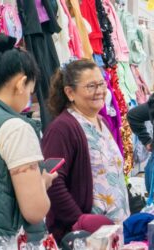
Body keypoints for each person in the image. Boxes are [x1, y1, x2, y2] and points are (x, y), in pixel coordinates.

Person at [0, 34, 56, 243]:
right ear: (21, 83)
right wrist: (43, 182)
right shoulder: (16, 129)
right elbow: (34, 210)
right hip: (0, 241)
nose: (29, 96)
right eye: (31, 90)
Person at [42, 59, 130, 242]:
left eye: (101, 83)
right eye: (91, 86)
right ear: (70, 92)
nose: (99, 91)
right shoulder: (62, 128)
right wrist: (80, 222)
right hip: (86, 238)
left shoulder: (102, 122)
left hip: (112, 233)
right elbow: (53, 183)